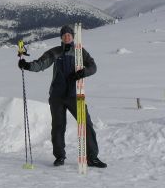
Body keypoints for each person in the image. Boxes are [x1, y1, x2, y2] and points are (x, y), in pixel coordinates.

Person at [18, 25, 107, 168]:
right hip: (57, 96)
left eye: (69, 35)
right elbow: (41, 64)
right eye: (64, 35)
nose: (67, 37)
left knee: (85, 124)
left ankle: (92, 158)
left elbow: (93, 67)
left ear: (73, 37)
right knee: (58, 127)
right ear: (61, 37)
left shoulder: (80, 52)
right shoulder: (55, 52)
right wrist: (27, 66)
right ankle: (59, 156)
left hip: (75, 95)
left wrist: (83, 72)